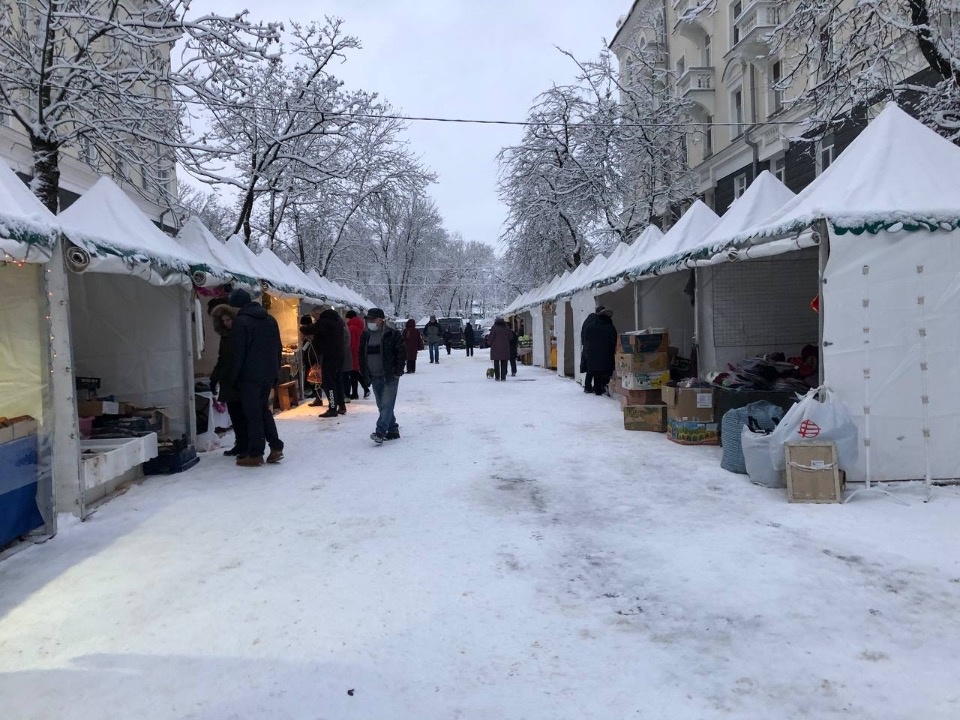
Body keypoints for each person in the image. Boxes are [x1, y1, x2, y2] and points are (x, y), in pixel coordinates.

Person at [227, 288, 284, 467]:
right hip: (268, 374)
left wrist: (232, 378)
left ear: (237, 306)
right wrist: (275, 371)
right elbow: (278, 347)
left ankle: (256, 453)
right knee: (263, 410)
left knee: (252, 414)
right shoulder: (270, 319)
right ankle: (276, 446)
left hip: (249, 375)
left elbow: (238, 353)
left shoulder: (241, 322)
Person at [359, 308, 406, 444]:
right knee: (382, 405)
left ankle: (380, 431)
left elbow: (402, 352)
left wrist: (398, 371)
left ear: (381, 320)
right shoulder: (366, 335)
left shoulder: (392, 334)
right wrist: (364, 371)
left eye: (373, 319)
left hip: (390, 376)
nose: (370, 321)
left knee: (386, 404)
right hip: (374, 376)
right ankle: (393, 429)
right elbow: (361, 354)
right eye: (368, 319)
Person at [209, 299, 247, 457]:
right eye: (223, 321)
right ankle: (240, 443)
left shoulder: (240, 334)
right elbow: (222, 358)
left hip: (240, 380)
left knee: (242, 415)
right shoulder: (225, 337)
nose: (226, 323)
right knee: (235, 415)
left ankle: (245, 445)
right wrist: (214, 377)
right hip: (228, 381)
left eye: (228, 320)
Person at [304, 309, 347, 417]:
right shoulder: (338, 321)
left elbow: (310, 329)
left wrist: (301, 327)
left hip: (329, 356)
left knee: (329, 382)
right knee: (338, 381)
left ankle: (332, 408)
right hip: (339, 355)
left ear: (319, 314)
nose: (314, 319)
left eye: (314, 316)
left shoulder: (324, 322)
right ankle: (341, 406)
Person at [582, 307, 617, 396]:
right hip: (606, 355)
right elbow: (614, 340)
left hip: (592, 354)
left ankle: (596, 390)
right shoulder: (609, 327)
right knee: (605, 372)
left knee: (595, 372)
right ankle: (603, 388)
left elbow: (586, 338)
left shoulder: (590, 326)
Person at [345, 310, 370, 399]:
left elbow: (351, 342)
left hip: (352, 352)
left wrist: (348, 351)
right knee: (354, 372)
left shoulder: (351, 328)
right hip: (358, 351)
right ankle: (356, 392)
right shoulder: (359, 326)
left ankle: (364, 389)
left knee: (354, 372)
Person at [300, 313, 324, 407]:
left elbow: (309, 350)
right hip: (314, 359)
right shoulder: (314, 333)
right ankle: (318, 397)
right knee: (316, 378)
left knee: (316, 378)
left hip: (313, 360)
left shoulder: (311, 336)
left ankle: (318, 398)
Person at [580, 307, 601, 393]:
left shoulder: (587, 320)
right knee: (595, 368)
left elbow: (582, 334)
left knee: (590, 368)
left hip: (587, 347)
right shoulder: (595, 321)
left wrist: (584, 344)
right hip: (592, 347)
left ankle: (587, 387)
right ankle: (594, 387)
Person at [487, 316, 512, 381]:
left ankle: (497, 376)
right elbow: (510, 337)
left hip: (495, 348)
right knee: (504, 362)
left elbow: (491, 337)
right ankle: (503, 377)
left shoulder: (494, 327)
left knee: (496, 362)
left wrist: (489, 342)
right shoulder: (506, 327)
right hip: (505, 348)